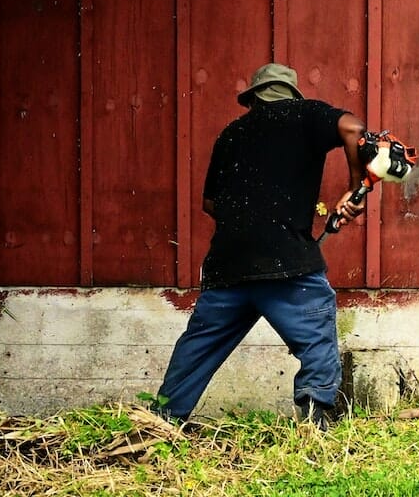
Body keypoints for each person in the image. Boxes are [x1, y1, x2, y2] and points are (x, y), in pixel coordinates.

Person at [153, 63, 368, 429]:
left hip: (229, 264)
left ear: (253, 99)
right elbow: (354, 129)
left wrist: (248, 220)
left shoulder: (230, 134)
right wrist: (354, 188)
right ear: (291, 95)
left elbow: (210, 203)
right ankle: (315, 421)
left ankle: (162, 419)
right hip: (286, 263)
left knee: (197, 347)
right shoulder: (306, 115)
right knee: (316, 334)